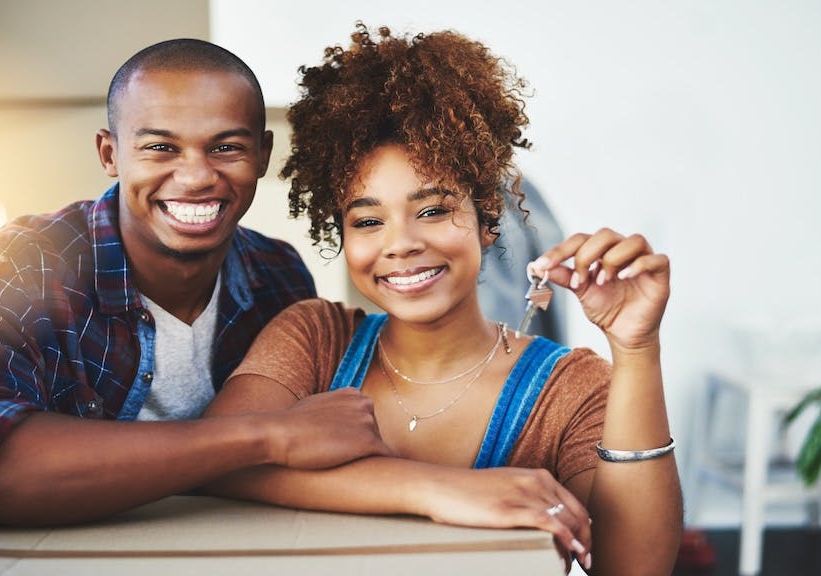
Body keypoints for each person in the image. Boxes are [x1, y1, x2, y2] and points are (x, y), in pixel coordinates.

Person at [203, 25, 683, 575]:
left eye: (432, 210)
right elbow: (217, 459)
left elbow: (633, 568)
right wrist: (439, 490)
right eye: (367, 220)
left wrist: (637, 348)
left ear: (487, 221)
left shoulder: (569, 390)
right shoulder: (315, 339)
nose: (401, 243)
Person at [0, 38, 389, 528]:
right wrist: (267, 435)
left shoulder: (278, 274)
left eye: (226, 147)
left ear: (262, 155)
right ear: (109, 153)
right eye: (160, 147)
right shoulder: (11, 268)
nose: (196, 176)